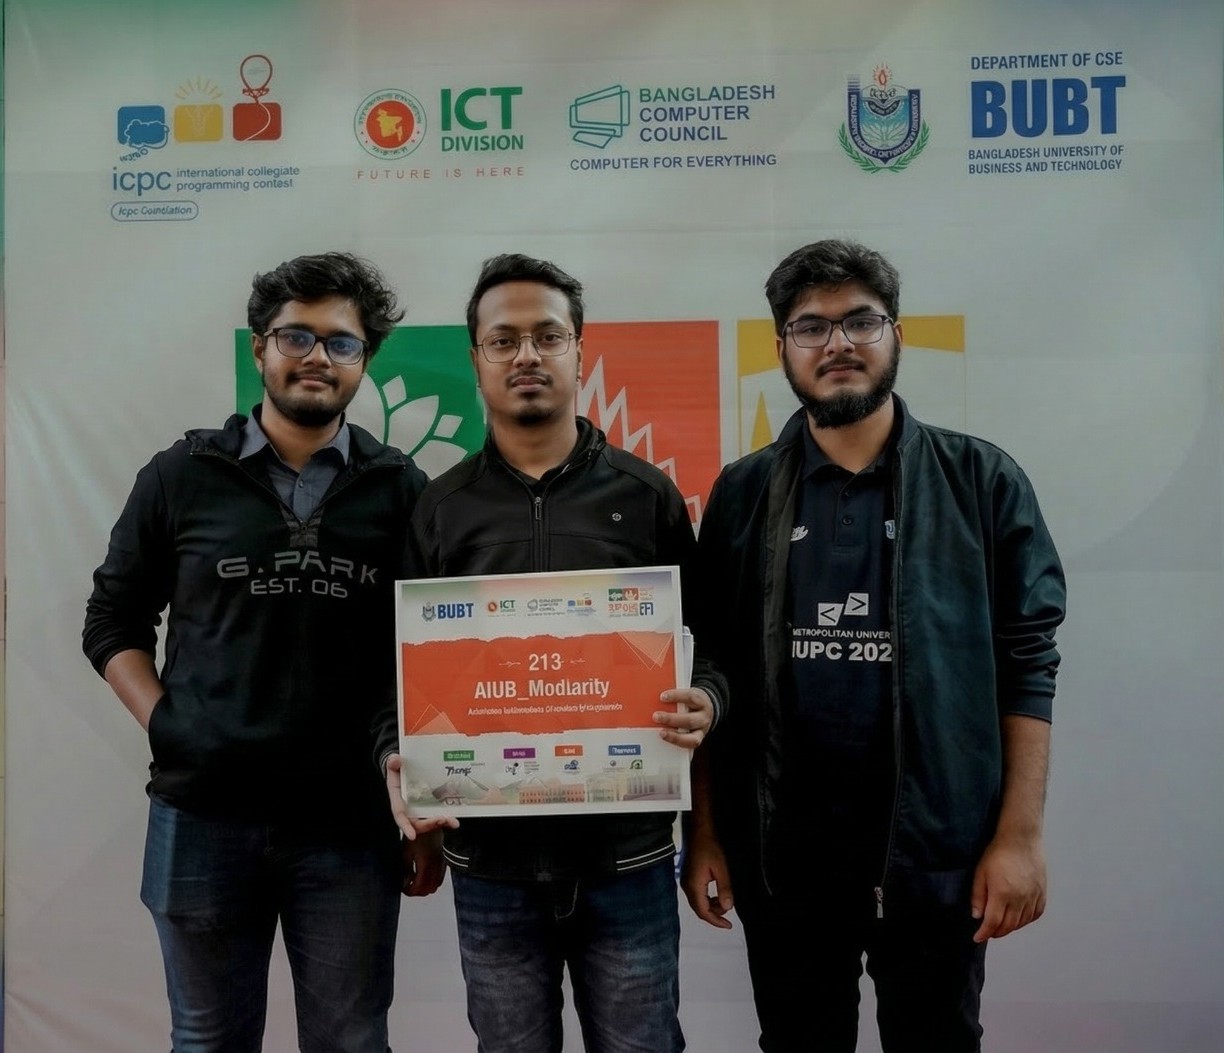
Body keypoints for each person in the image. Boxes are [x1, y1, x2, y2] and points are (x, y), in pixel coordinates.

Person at [681, 239, 1066, 1052]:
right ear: (781, 348)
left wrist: (1020, 836)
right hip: (784, 863)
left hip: (937, 861)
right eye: (810, 327)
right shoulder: (743, 492)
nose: (838, 343)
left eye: (861, 320)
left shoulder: (980, 481)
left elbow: (1028, 665)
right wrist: (705, 831)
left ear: (896, 334)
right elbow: (711, 664)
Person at [83, 251, 447, 1053]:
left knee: (351, 1040)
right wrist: (168, 723)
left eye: (341, 342)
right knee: (208, 1039)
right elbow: (112, 619)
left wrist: (422, 808)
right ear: (259, 348)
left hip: (349, 825)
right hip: (202, 814)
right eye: (296, 336)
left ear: (364, 361)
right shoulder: (181, 474)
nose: (317, 356)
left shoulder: (400, 487)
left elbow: (427, 650)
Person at [375, 253, 727, 1053]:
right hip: (490, 866)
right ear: (476, 359)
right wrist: (407, 777)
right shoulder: (439, 508)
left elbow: (708, 653)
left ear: (580, 352)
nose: (526, 355)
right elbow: (396, 673)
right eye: (504, 340)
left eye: (547, 336)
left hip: (630, 859)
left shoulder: (646, 495)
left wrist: (708, 704)